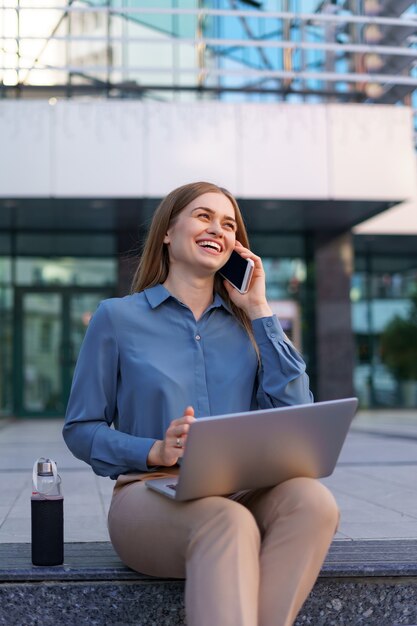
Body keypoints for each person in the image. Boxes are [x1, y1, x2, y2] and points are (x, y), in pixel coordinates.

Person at [63, 181, 339, 626]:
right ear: (168, 232)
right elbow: (80, 429)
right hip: (151, 492)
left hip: (242, 490)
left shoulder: (250, 327)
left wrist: (261, 311)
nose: (219, 229)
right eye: (204, 216)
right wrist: (154, 449)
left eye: (229, 224)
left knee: (313, 501)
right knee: (227, 521)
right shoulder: (117, 318)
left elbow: (294, 410)